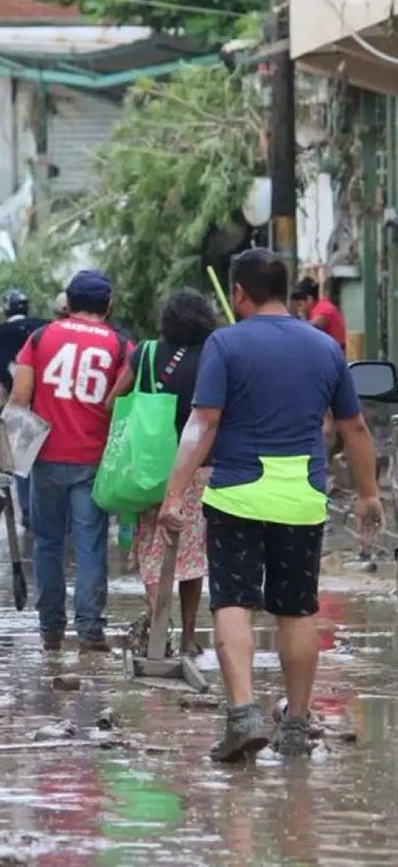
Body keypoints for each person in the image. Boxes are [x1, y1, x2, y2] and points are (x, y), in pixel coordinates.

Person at [158, 248, 382, 761]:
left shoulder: (225, 343)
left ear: (238, 293)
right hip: (301, 497)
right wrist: (368, 493)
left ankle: (243, 714)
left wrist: (175, 493)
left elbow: (203, 423)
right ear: (284, 291)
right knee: (297, 608)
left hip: (236, 494)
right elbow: (355, 426)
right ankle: (297, 726)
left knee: (233, 601)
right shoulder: (324, 347)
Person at [9, 269, 130, 652]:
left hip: (45, 458)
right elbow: (123, 405)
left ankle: (50, 629)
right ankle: (90, 628)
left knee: (46, 541)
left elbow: (19, 400)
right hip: (94, 461)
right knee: (90, 542)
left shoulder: (40, 337)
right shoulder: (122, 346)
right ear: (108, 306)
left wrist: (12, 459)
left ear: (69, 304)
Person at [106, 289, 217, 657]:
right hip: (200, 467)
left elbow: (113, 402)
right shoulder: (213, 356)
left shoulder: (147, 353)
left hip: (150, 469)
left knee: (154, 551)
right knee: (191, 555)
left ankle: (159, 628)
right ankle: (187, 636)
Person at [0, 288, 49, 529]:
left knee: (21, 459)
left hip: (16, 403)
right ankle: (51, 513)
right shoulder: (45, 328)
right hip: (45, 402)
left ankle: (28, 514)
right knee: (46, 458)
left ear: (5, 310)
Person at [291, 277, 346, 351]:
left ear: (309, 299)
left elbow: (308, 331)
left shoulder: (323, 309)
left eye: (300, 305)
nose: (298, 309)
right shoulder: (317, 307)